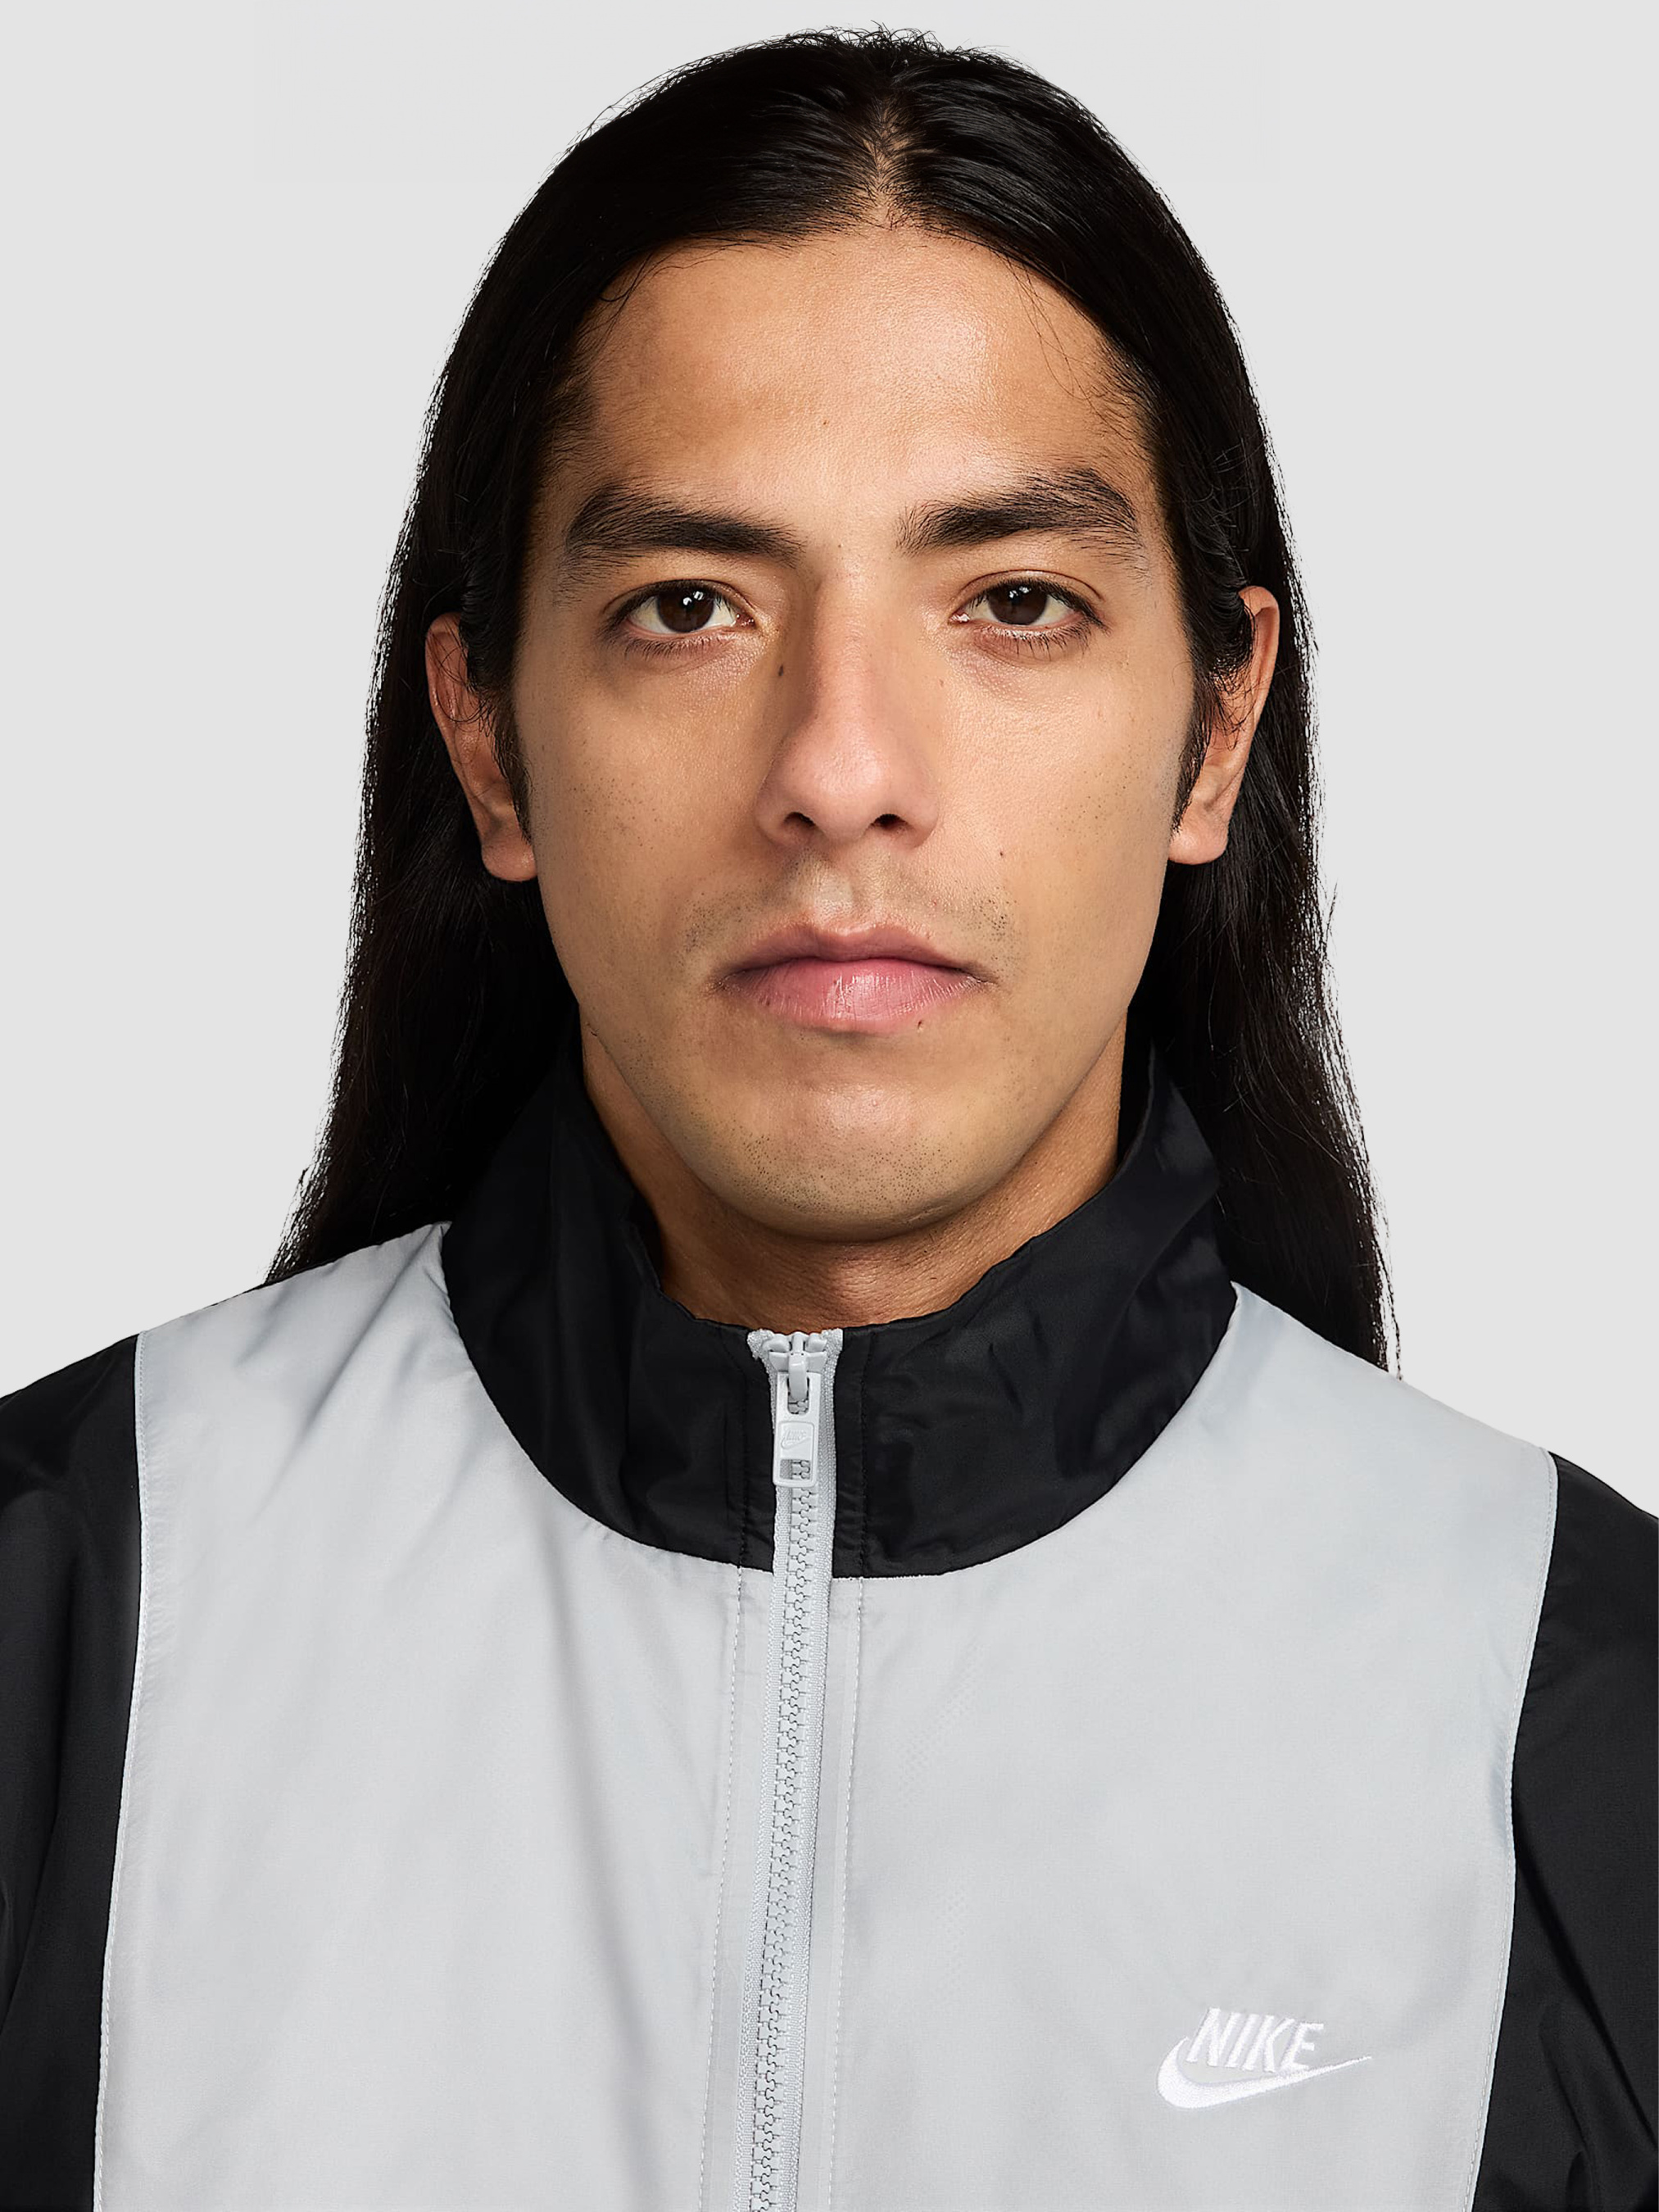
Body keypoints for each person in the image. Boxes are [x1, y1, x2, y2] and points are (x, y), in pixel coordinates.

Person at [1, 27, 1652, 2212]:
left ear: (1212, 727)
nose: (840, 767)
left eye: (1013, 602)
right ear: (488, 739)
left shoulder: (1579, 1716)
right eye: (689, 607)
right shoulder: (65, 1617)